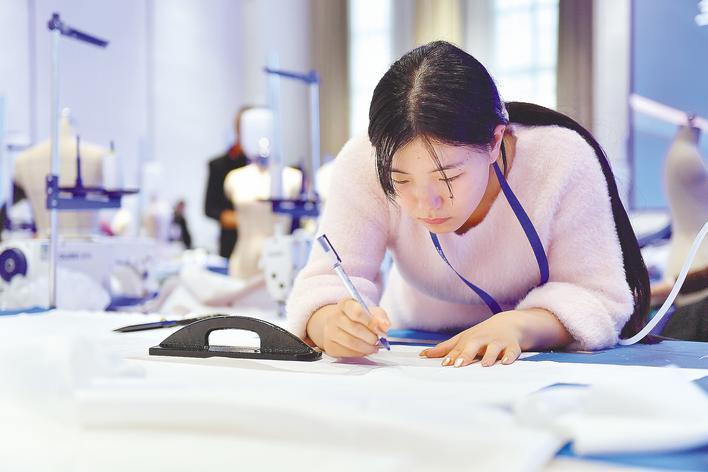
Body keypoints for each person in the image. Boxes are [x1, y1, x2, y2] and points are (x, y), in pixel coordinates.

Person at [286, 41, 651, 367]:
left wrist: (519, 326)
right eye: (401, 181)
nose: (426, 204)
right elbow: (324, 285)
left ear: (494, 142)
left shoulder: (561, 160)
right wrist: (330, 322)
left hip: (530, 359)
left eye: (447, 178)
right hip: (412, 350)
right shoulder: (364, 161)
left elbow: (598, 296)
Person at [204, 107, 250, 258]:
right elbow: (210, 208)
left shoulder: (271, 170)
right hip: (232, 246)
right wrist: (249, 220)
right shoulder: (220, 166)